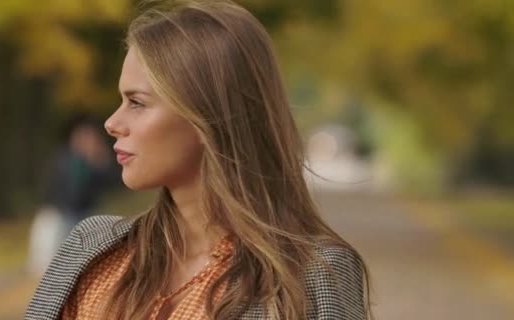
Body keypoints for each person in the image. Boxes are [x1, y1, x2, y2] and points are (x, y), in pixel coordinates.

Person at [25, 1, 372, 319]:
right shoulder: (92, 251)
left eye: (137, 103)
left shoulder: (313, 276)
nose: (112, 124)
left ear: (205, 116)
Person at [27, 115, 122, 276]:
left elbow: (113, 184)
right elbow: (66, 192)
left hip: (82, 217)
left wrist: (101, 164)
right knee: (45, 266)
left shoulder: (96, 164)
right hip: (57, 216)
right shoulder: (64, 159)